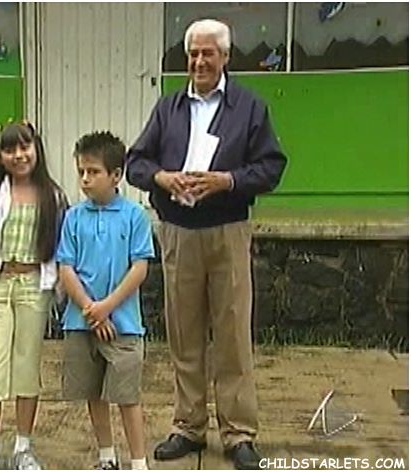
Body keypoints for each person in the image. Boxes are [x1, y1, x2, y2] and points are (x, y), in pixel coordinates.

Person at [126, 19, 287, 470]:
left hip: (228, 229)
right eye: (193, 54)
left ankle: (239, 433)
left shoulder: (249, 108)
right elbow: (136, 162)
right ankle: (188, 426)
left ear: (225, 57)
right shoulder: (168, 108)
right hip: (178, 231)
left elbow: (271, 167)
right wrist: (162, 177)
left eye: (207, 53)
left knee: (233, 333)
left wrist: (227, 181)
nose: (198, 62)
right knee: (184, 332)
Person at [57, 131, 155, 470]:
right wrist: (90, 309)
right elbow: (66, 267)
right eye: (81, 171)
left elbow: (139, 267)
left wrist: (106, 308)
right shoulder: (73, 217)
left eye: (94, 172)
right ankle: (106, 456)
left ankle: (139, 462)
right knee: (93, 393)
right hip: (80, 322)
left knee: (127, 396)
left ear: (116, 175)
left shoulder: (135, 216)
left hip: (123, 325)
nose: (85, 179)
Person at [0, 121, 68, 470]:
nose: (18, 155)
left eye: (24, 147)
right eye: (9, 149)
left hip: (34, 285)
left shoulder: (53, 195)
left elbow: (61, 245)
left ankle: (23, 447)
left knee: (28, 366)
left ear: (36, 148)